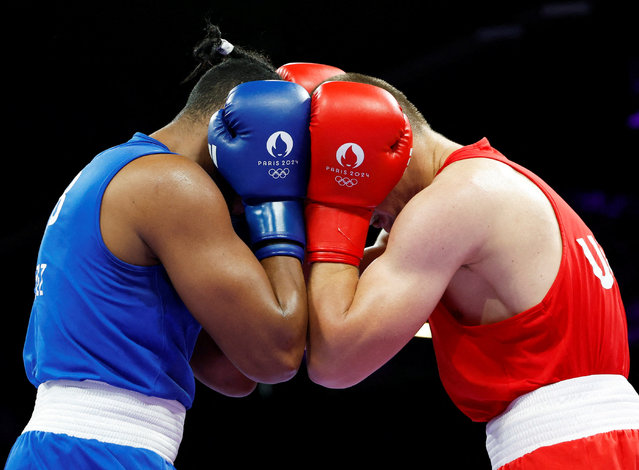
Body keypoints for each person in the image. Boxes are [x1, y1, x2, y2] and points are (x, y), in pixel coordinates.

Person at [278, 63, 639, 469]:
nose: (367, 213)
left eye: (342, 169)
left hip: (571, 449)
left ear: (380, 144)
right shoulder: (477, 185)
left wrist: (336, 205)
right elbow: (320, 305)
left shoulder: (455, 202)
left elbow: (334, 361)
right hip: (590, 443)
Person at [6, 24, 310, 469]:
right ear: (236, 130)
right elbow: (276, 357)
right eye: (279, 156)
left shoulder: (119, 170)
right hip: (99, 450)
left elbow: (234, 373)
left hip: (76, 449)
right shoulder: (172, 185)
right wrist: (275, 202)